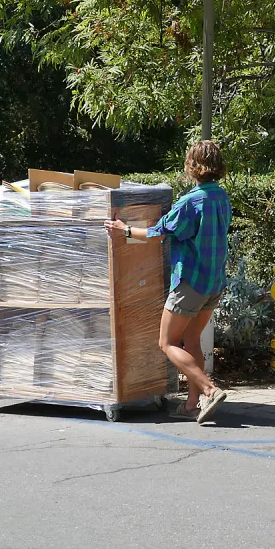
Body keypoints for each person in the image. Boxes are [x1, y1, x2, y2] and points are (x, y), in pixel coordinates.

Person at [104, 140, 232, 424]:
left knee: (166, 342)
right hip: (213, 281)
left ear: (193, 166)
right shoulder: (221, 197)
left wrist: (124, 230)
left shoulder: (192, 201)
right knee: (190, 340)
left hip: (190, 282)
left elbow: (159, 232)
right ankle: (191, 405)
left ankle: (210, 390)